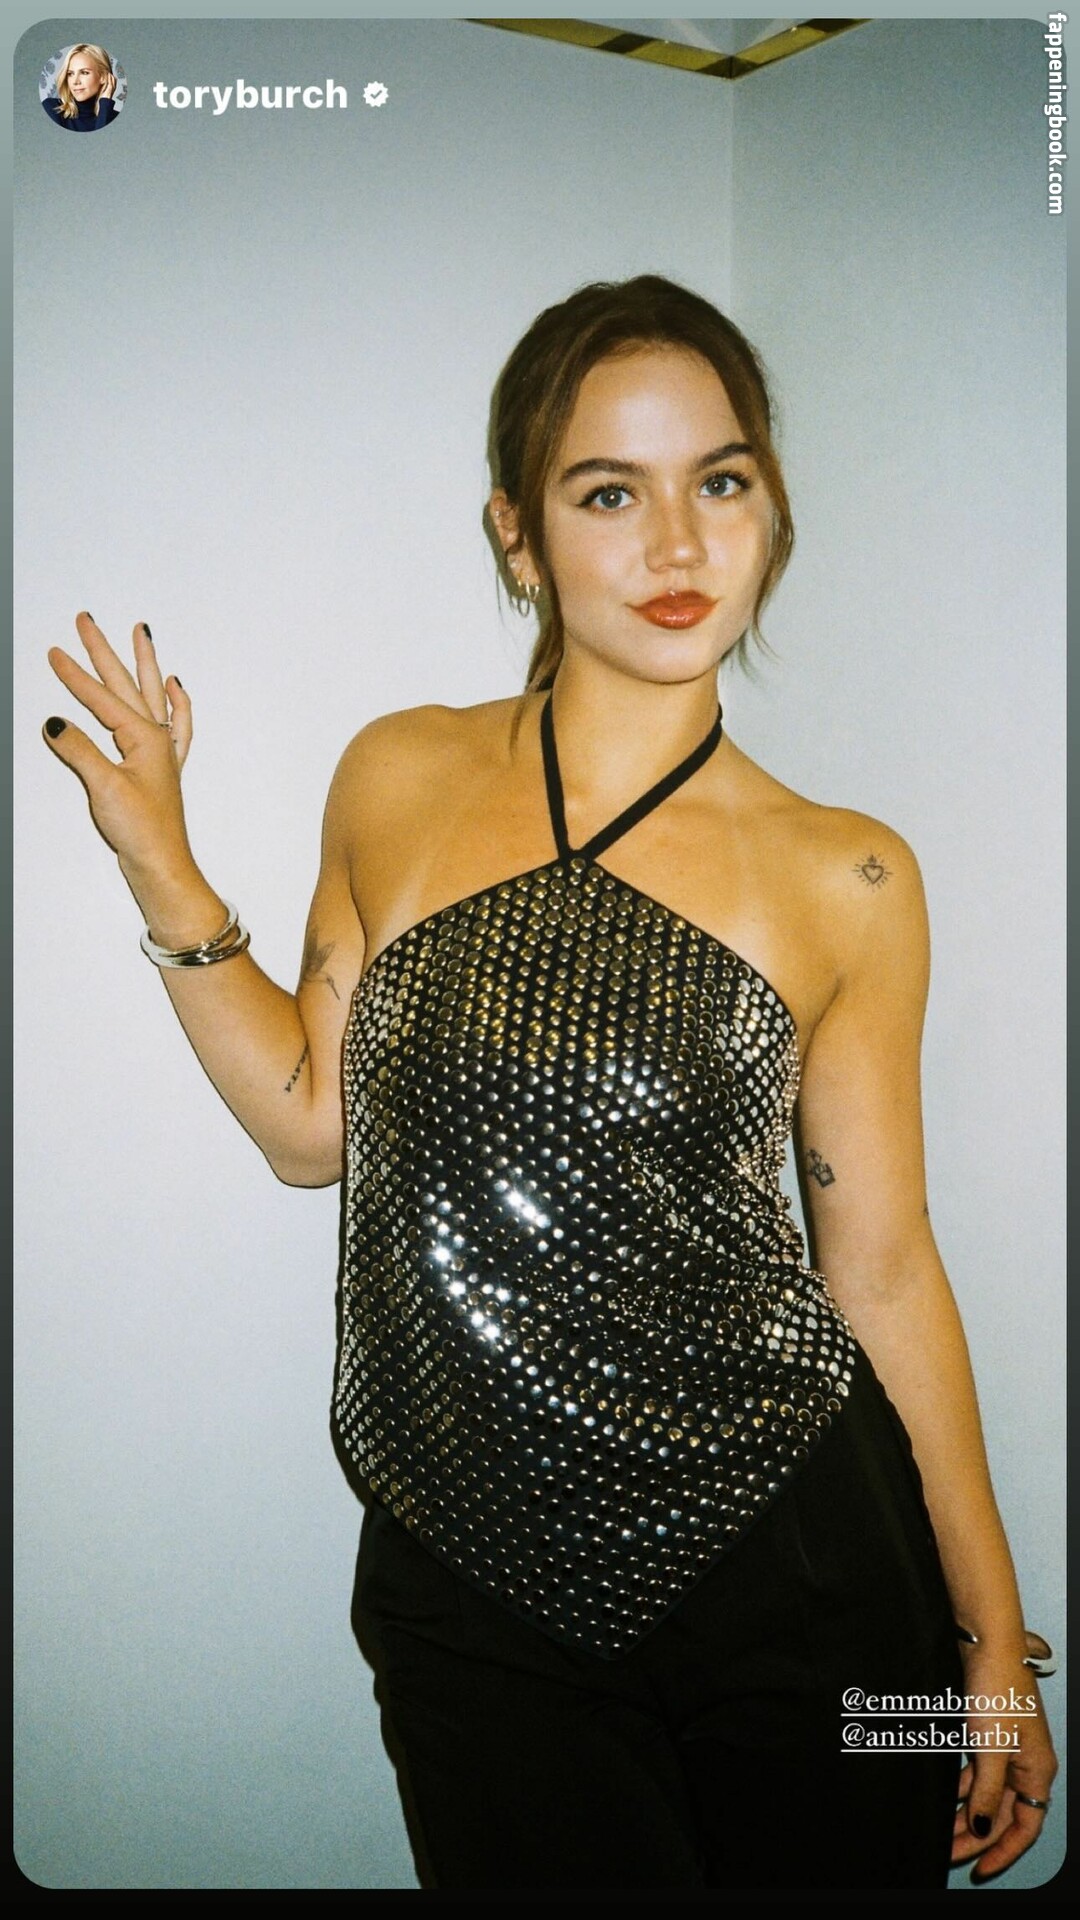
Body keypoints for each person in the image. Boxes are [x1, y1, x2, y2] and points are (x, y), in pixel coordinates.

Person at [42, 275, 1055, 1890]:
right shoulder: (398, 773)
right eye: (609, 493)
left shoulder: (854, 875)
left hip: (810, 1578)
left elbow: (881, 1269)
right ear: (518, 537)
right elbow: (309, 1127)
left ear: (772, 512)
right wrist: (162, 859)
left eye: (721, 481)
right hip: (470, 1595)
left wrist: (990, 1645)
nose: (679, 543)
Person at [41, 44, 119, 132]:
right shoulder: (52, 108)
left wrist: (105, 105)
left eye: (84, 72)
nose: (75, 81)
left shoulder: (115, 117)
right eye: (70, 74)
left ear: (103, 77)